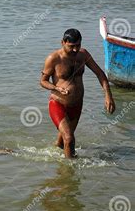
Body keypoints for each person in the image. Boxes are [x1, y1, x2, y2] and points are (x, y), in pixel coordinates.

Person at [40, 28, 115, 159]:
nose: (75, 49)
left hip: (76, 106)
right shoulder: (53, 58)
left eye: (78, 45)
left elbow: (100, 74)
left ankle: (55, 160)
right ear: (63, 42)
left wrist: (108, 95)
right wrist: (57, 88)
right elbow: (43, 81)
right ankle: (69, 174)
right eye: (71, 46)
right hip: (58, 104)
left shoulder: (83, 55)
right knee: (69, 139)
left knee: (63, 143)